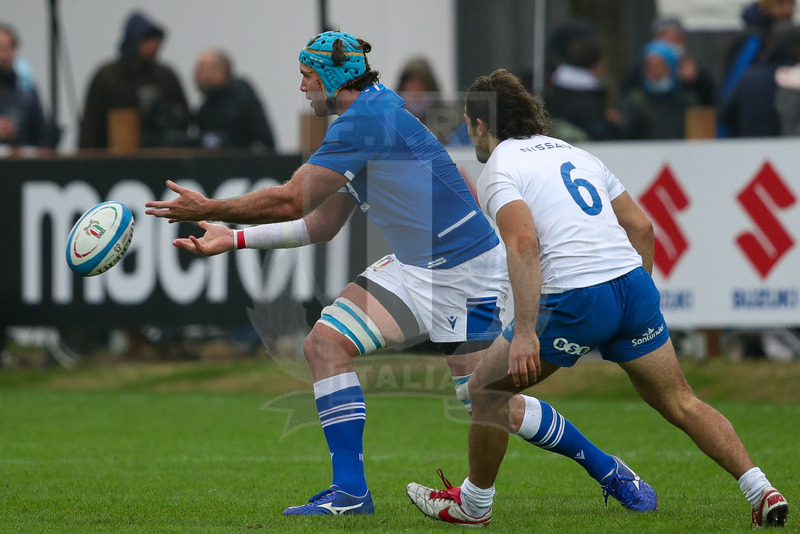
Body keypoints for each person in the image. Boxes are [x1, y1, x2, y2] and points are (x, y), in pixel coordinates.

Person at [145, 30, 656, 517]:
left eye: (307, 75)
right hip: (416, 268)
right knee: (324, 345)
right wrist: (232, 238)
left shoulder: (363, 122)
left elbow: (289, 200)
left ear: (331, 78)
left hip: (466, 274)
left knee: (488, 401)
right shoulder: (367, 114)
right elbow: (322, 225)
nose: (301, 86)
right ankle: (350, 492)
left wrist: (209, 207)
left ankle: (608, 469)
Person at [406, 69, 789, 528]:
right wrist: (638, 300)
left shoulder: (499, 168)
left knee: (486, 390)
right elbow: (642, 227)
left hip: (577, 298)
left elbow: (523, 244)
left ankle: (473, 506)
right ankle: (761, 490)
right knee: (682, 401)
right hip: (632, 287)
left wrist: (525, 332)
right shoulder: (576, 153)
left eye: (470, 125)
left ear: (481, 124)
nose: (471, 136)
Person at [79, 11, 189, 149]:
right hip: (114, 154)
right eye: (147, 40)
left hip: (161, 153)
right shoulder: (107, 77)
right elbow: (91, 126)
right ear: (134, 40)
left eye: (156, 41)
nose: (153, 46)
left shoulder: (166, 77)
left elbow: (184, 116)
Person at [719, 0, 796, 136]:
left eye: (791, 3)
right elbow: (730, 91)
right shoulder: (752, 41)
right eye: (781, 3)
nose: (787, 9)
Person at [543, 24, 620, 141]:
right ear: (595, 66)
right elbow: (600, 138)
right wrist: (611, 125)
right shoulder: (588, 101)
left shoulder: (553, 90)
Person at [621, 16, 715, 108]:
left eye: (676, 40)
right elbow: (626, 98)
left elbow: (712, 99)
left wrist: (697, 80)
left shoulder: (693, 70)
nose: (671, 45)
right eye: (667, 40)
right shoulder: (640, 70)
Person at [193, 48, 276, 152]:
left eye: (201, 68)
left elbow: (265, 141)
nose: (196, 74)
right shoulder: (207, 104)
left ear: (220, 72)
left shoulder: (242, 100)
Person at [618, 40, 696, 140]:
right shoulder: (635, 100)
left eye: (660, 65)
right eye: (650, 66)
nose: (654, 70)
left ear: (670, 67)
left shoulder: (686, 98)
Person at [396, 56, 463, 144]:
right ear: (402, 86)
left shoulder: (452, 116)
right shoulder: (391, 119)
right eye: (411, 81)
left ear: (430, 85)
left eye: (420, 81)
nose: (415, 87)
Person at [0, 23, 46, 147]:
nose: (2, 56)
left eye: (5, 48)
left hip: (21, 153)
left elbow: (41, 132)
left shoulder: (27, 89)